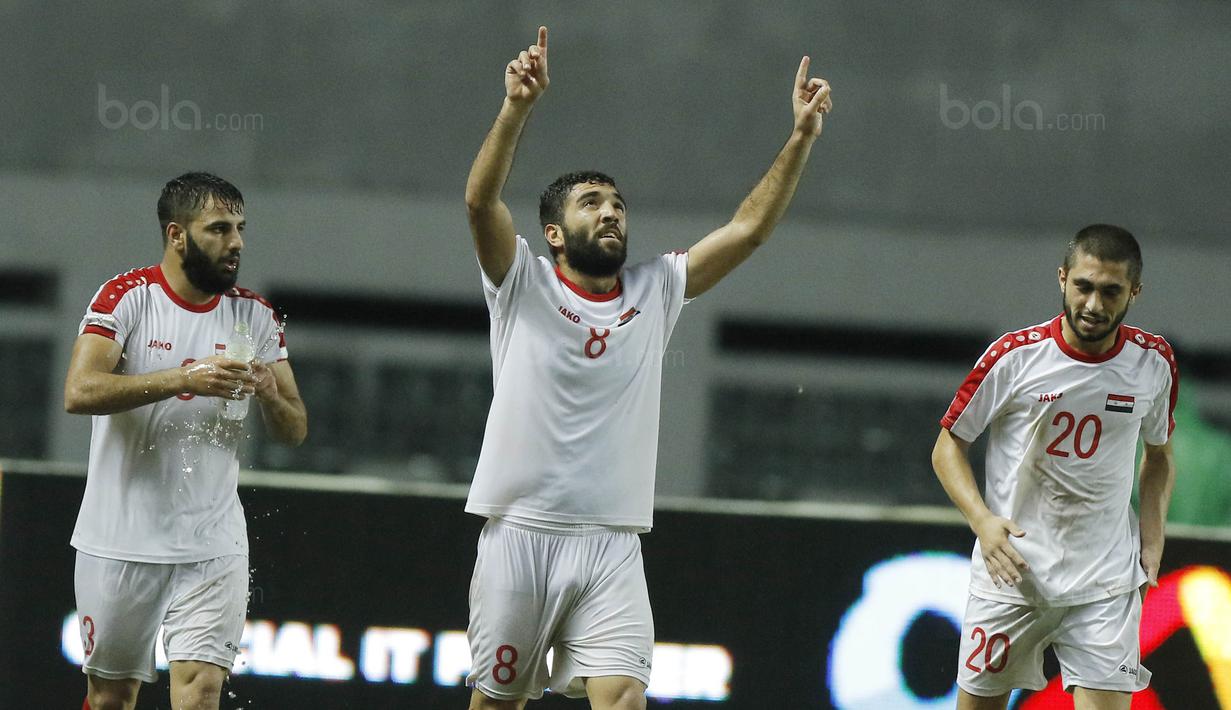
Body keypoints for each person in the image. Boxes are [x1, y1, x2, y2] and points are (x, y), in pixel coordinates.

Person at [462, 26, 832, 710]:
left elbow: (747, 231)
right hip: (521, 532)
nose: (609, 213)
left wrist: (800, 137)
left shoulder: (655, 289)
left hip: (612, 540)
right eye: (590, 204)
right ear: (553, 233)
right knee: (498, 703)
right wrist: (515, 107)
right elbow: (481, 204)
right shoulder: (522, 283)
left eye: (617, 205)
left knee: (624, 695)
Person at [63, 172, 308, 710]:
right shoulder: (127, 297)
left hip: (212, 542)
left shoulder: (255, 316)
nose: (236, 242)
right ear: (177, 235)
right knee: (110, 697)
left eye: (240, 228)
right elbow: (79, 392)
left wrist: (269, 391)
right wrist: (182, 378)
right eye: (219, 228)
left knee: (201, 693)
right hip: (121, 537)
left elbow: (294, 429)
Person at [931, 225, 1178, 710]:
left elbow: (1159, 456)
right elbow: (947, 446)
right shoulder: (1015, 357)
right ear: (1062, 279)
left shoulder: (1154, 363)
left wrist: (1152, 535)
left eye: (1111, 291)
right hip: (1013, 574)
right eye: (1083, 286)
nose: (1093, 304)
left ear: (1134, 292)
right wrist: (982, 521)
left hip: (1105, 581)